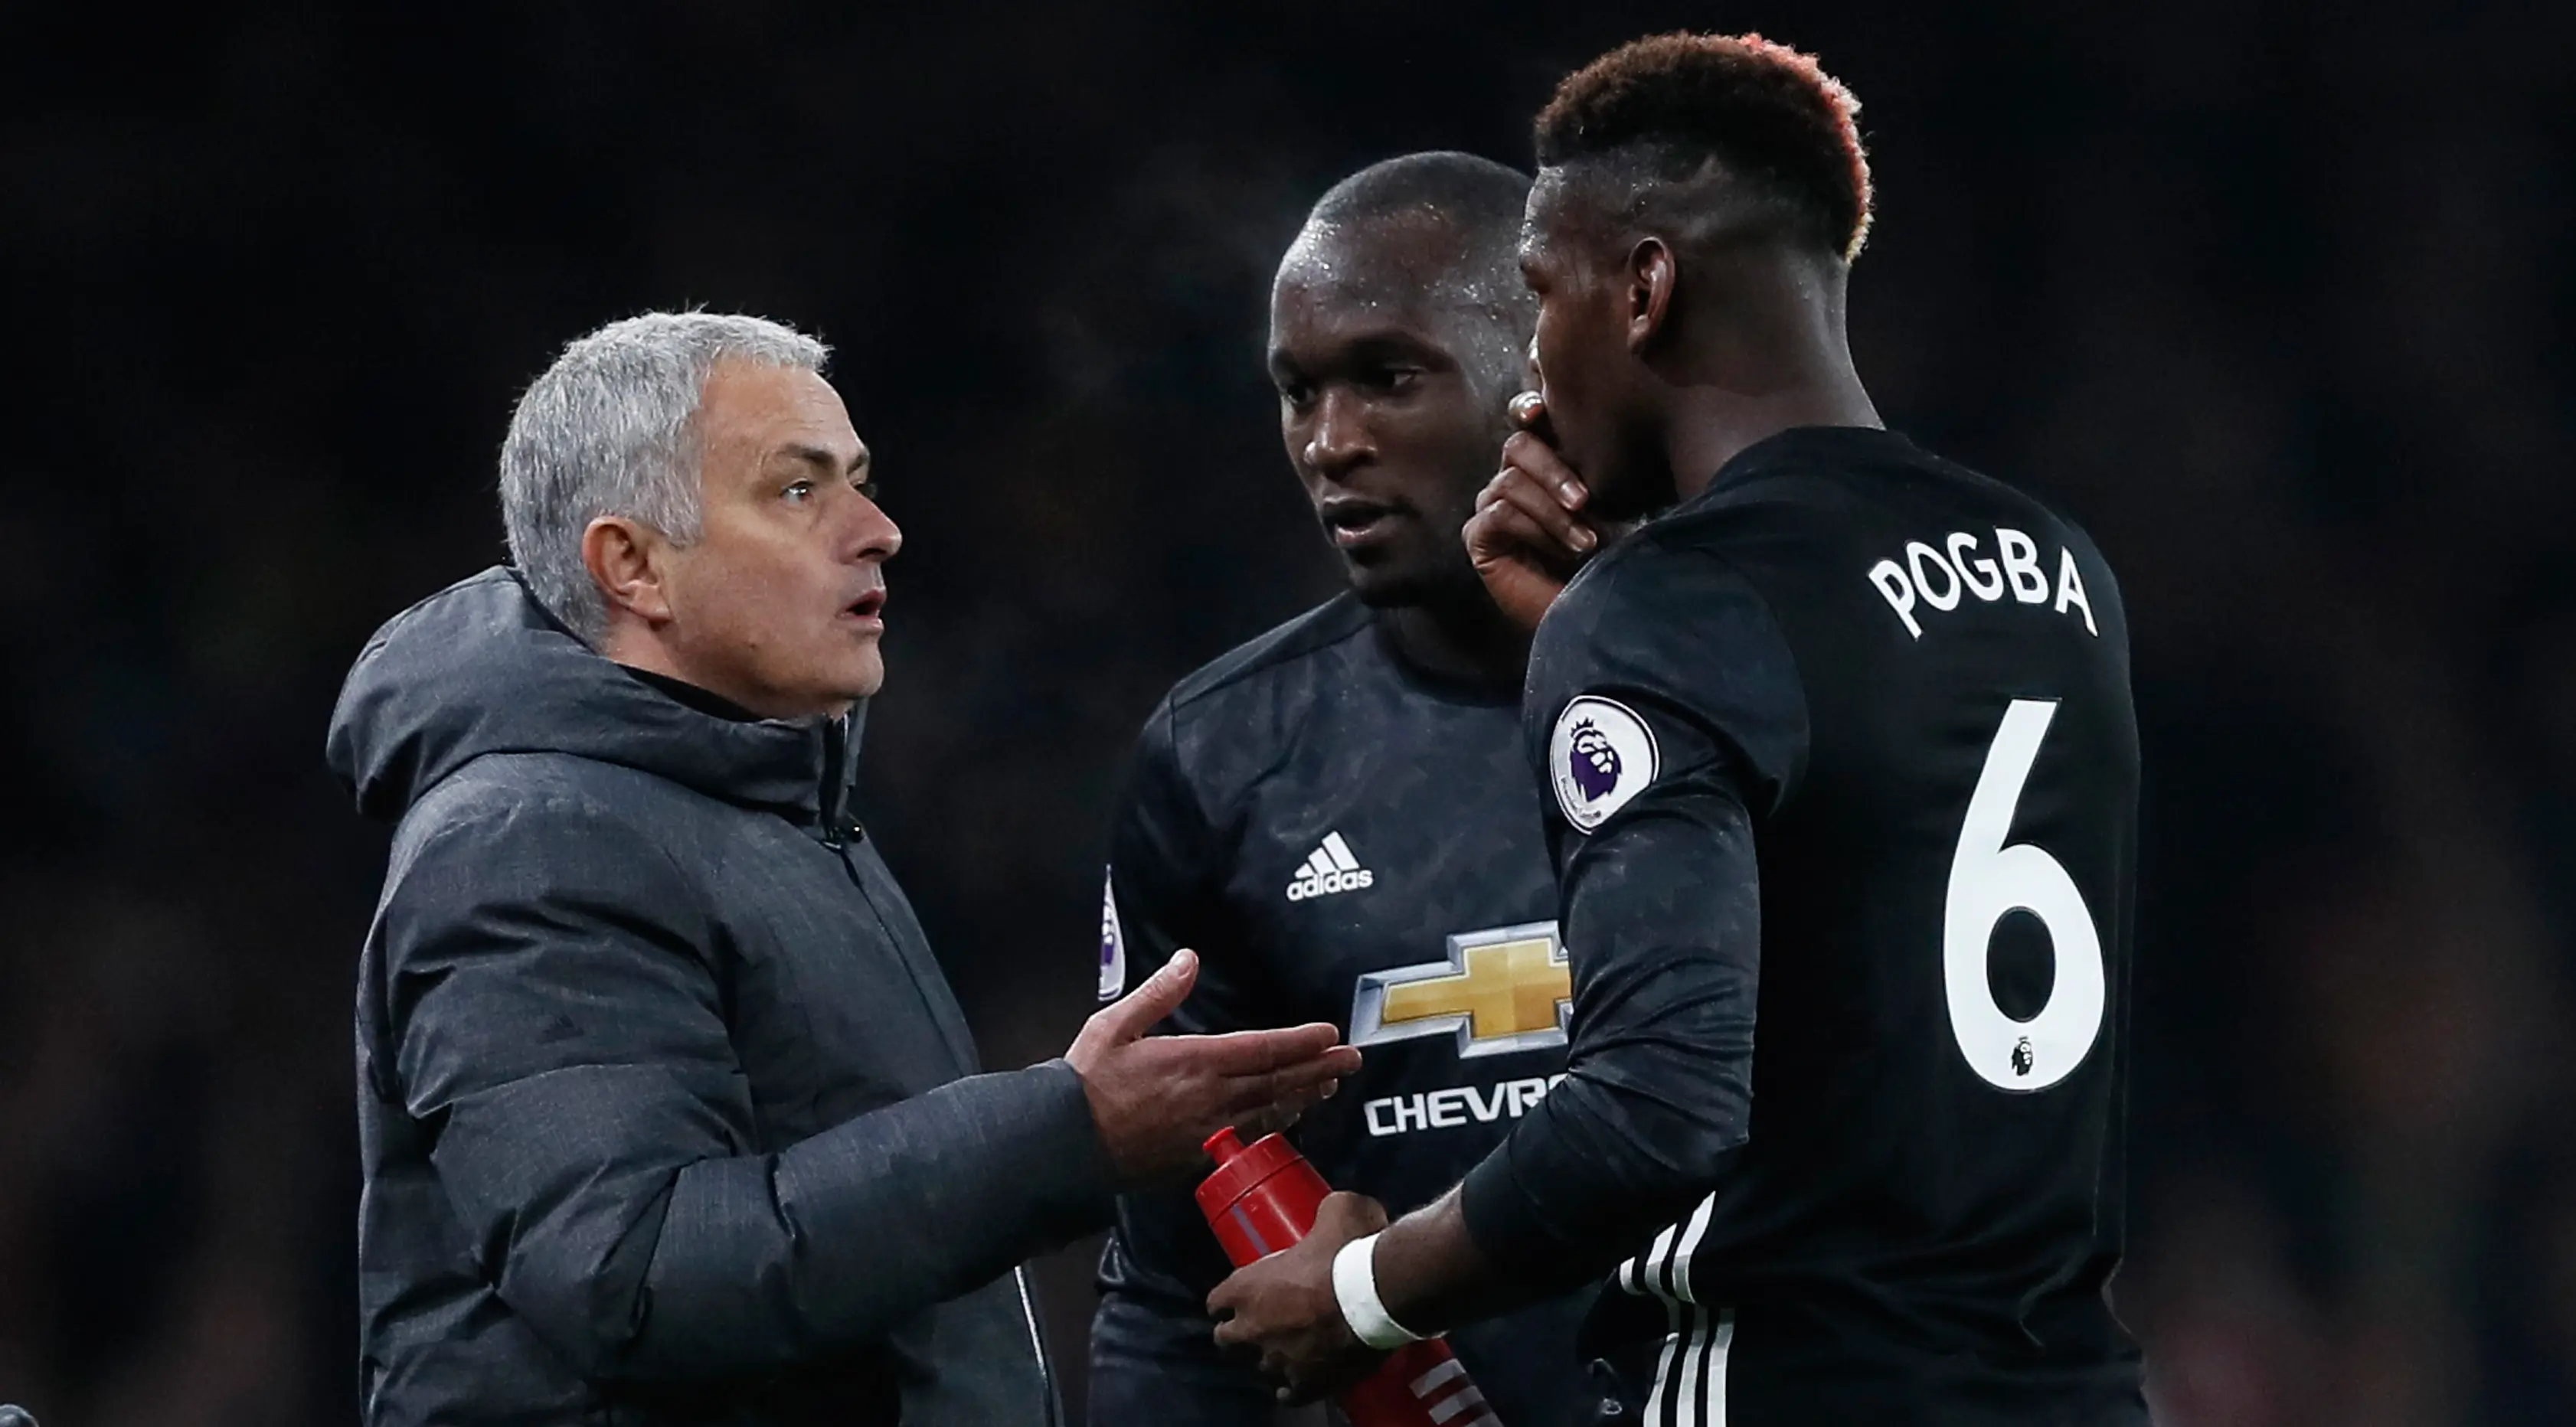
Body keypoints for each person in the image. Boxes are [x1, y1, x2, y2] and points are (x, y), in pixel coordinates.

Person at [1208, 34, 2149, 1427]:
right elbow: (1859, 896)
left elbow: (1656, 1112)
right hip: (2065, 1388)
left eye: (1540, 295)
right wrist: (1588, 636)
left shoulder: (1668, 609)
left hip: (1790, 1381)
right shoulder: (2052, 565)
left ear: (1644, 289)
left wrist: (1360, 1294)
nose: (1529, 368)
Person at [325, 312, 1360, 1427]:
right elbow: (633, 1274)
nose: (879, 531)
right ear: (632, 566)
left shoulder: (769, 808)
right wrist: (1066, 1134)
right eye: (797, 491)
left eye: (858, 481)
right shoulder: (529, 841)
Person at [1086, 154, 1607, 1427]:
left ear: (1539, 370)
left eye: (1386, 376)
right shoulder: (1222, 758)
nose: (1331, 443)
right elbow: (1169, 1286)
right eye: (1296, 392)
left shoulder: (1751, 678)